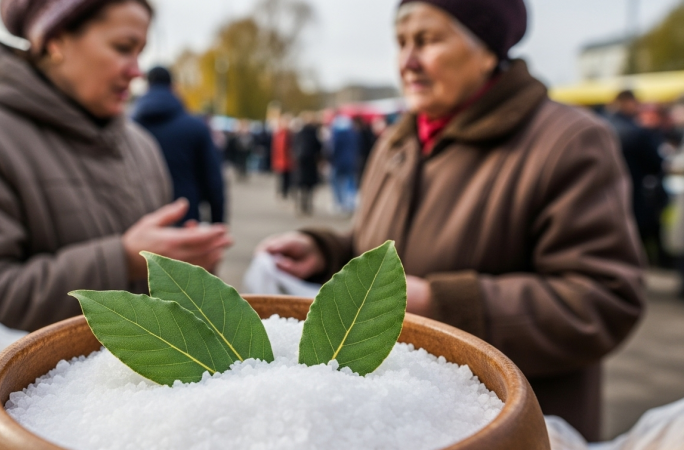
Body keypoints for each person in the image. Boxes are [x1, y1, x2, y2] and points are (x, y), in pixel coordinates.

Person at [258, 0, 644, 440]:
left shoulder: (567, 142)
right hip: (405, 422)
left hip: (513, 429)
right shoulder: (399, 140)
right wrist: (324, 251)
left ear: (486, 51)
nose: (407, 61)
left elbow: (604, 299)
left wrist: (440, 304)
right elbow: (383, 245)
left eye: (428, 40)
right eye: (401, 42)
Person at [0, 0, 231, 331]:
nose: (137, 70)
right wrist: (123, 260)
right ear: (56, 40)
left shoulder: (140, 144)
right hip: (32, 382)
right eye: (123, 48)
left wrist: (183, 265)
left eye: (140, 52)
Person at [132, 66, 226, 224]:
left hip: (140, 225)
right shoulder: (196, 126)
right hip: (185, 219)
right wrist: (218, 224)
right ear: (173, 86)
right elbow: (214, 181)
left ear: (147, 86)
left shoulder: (130, 127)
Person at [607, 91, 666, 265]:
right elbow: (656, 164)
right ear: (629, 102)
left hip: (609, 194)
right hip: (636, 193)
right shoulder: (636, 131)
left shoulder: (603, 126)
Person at [328, 114, 360, 214]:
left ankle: (340, 202)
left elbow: (334, 149)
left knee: (336, 182)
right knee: (349, 182)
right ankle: (350, 202)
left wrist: (330, 159)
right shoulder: (352, 133)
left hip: (338, 162)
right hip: (350, 161)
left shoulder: (337, 134)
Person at [293, 111, 323, 215]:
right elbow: (319, 147)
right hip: (311, 162)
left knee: (302, 184)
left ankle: (302, 204)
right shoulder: (314, 133)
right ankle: (308, 205)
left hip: (302, 162)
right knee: (309, 186)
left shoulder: (300, 133)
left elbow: (294, 146)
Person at [271, 114, 294, 199]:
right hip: (280, 160)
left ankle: (287, 192)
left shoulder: (291, 134)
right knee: (281, 178)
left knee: (288, 178)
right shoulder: (278, 134)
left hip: (289, 160)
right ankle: (282, 193)